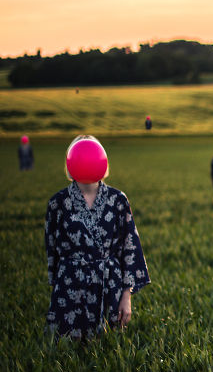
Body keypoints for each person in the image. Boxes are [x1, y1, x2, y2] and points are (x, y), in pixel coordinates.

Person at [45, 135, 150, 339]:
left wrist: (126, 296)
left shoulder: (117, 200)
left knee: (107, 350)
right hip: (70, 287)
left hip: (109, 285)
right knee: (66, 352)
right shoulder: (57, 203)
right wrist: (58, 287)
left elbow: (130, 247)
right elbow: (52, 250)